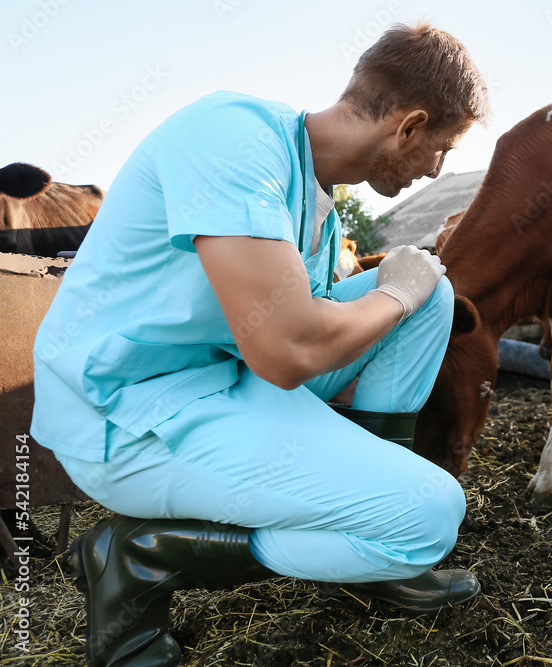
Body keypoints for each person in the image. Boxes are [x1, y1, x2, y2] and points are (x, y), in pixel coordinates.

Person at [30, 21, 490, 667]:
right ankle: (139, 555)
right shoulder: (234, 138)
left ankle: (370, 548)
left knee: (430, 292)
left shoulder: (316, 196)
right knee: (430, 515)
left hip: (222, 380)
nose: (436, 170)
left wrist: (407, 294)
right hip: (126, 412)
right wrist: (394, 295)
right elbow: (286, 352)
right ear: (409, 127)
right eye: (440, 149)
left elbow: (308, 331)